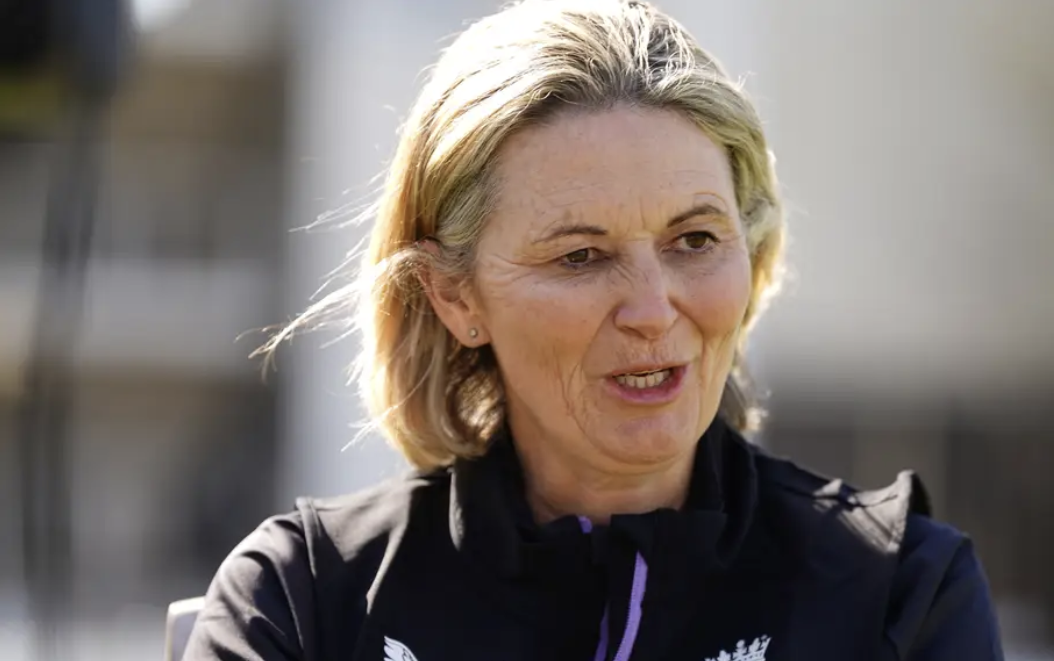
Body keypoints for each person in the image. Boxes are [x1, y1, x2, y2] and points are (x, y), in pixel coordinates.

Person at [182, 1, 1004, 659]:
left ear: (750, 254)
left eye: (695, 240)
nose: (652, 309)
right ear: (456, 296)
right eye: (580, 256)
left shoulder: (898, 589)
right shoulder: (305, 597)